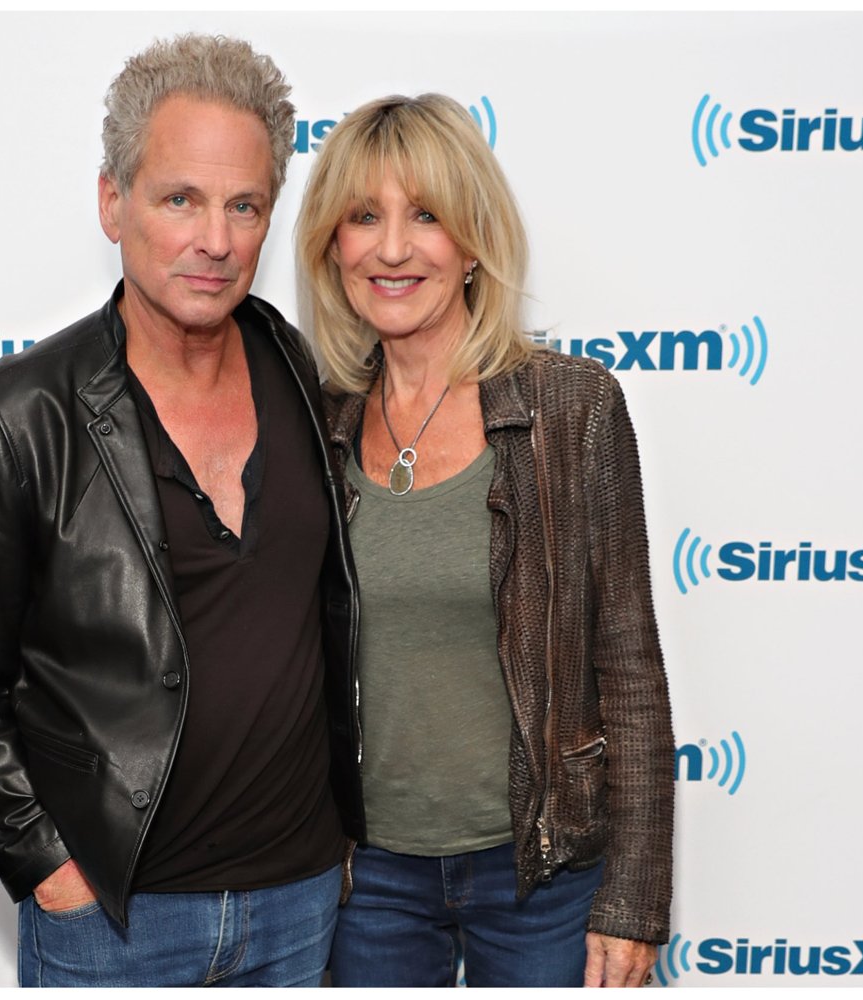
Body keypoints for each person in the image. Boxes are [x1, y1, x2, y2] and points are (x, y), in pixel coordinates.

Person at [0, 34, 362, 988]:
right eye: (180, 199)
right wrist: (49, 868)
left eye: (244, 206)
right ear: (114, 202)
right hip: (116, 923)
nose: (215, 239)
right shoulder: (20, 415)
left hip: (302, 903)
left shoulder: (299, 370)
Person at [295, 93, 673, 989]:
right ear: (331, 247)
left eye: (425, 215)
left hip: (542, 874)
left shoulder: (572, 409)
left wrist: (635, 900)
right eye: (363, 217)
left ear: (471, 244)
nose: (392, 248)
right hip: (364, 878)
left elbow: (628, 663)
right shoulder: (312, 419)